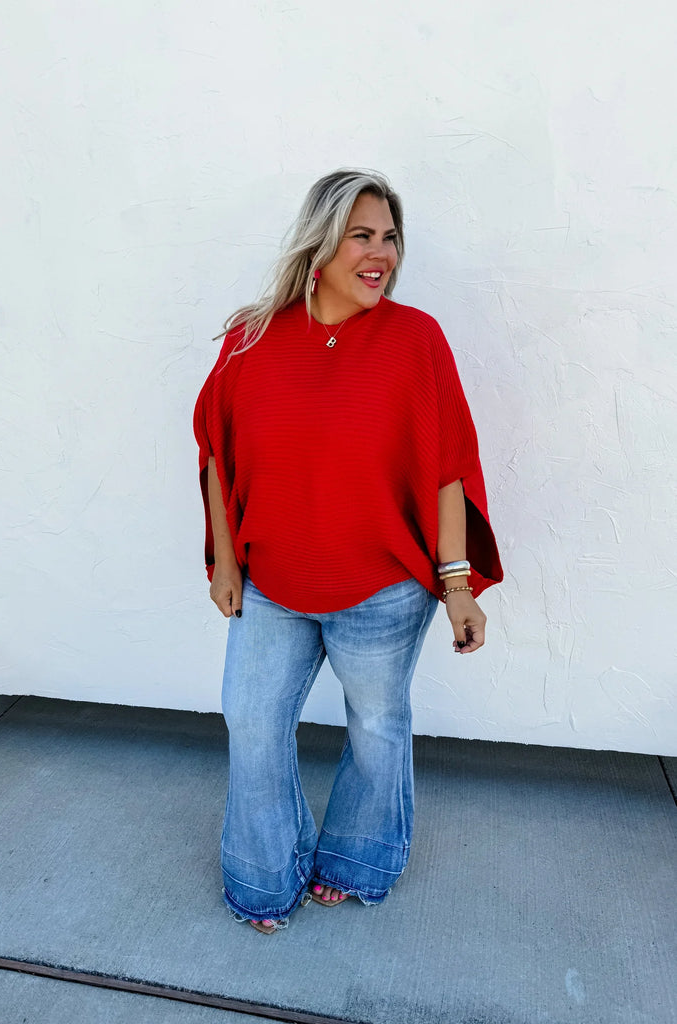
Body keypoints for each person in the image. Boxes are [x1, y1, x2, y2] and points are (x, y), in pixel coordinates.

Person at [193, 168, 502, 934]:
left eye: (389, 238)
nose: (380, 254)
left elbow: (446, 466)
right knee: (251, 721)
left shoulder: (414, 338)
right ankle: (265, 874)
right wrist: (225, 561)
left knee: (375, 728)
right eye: (361, 236)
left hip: (382, 590)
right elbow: (217, 452)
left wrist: (456, 586)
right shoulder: (251, 338)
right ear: (320, 242)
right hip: (271, 583)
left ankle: (356, 859)